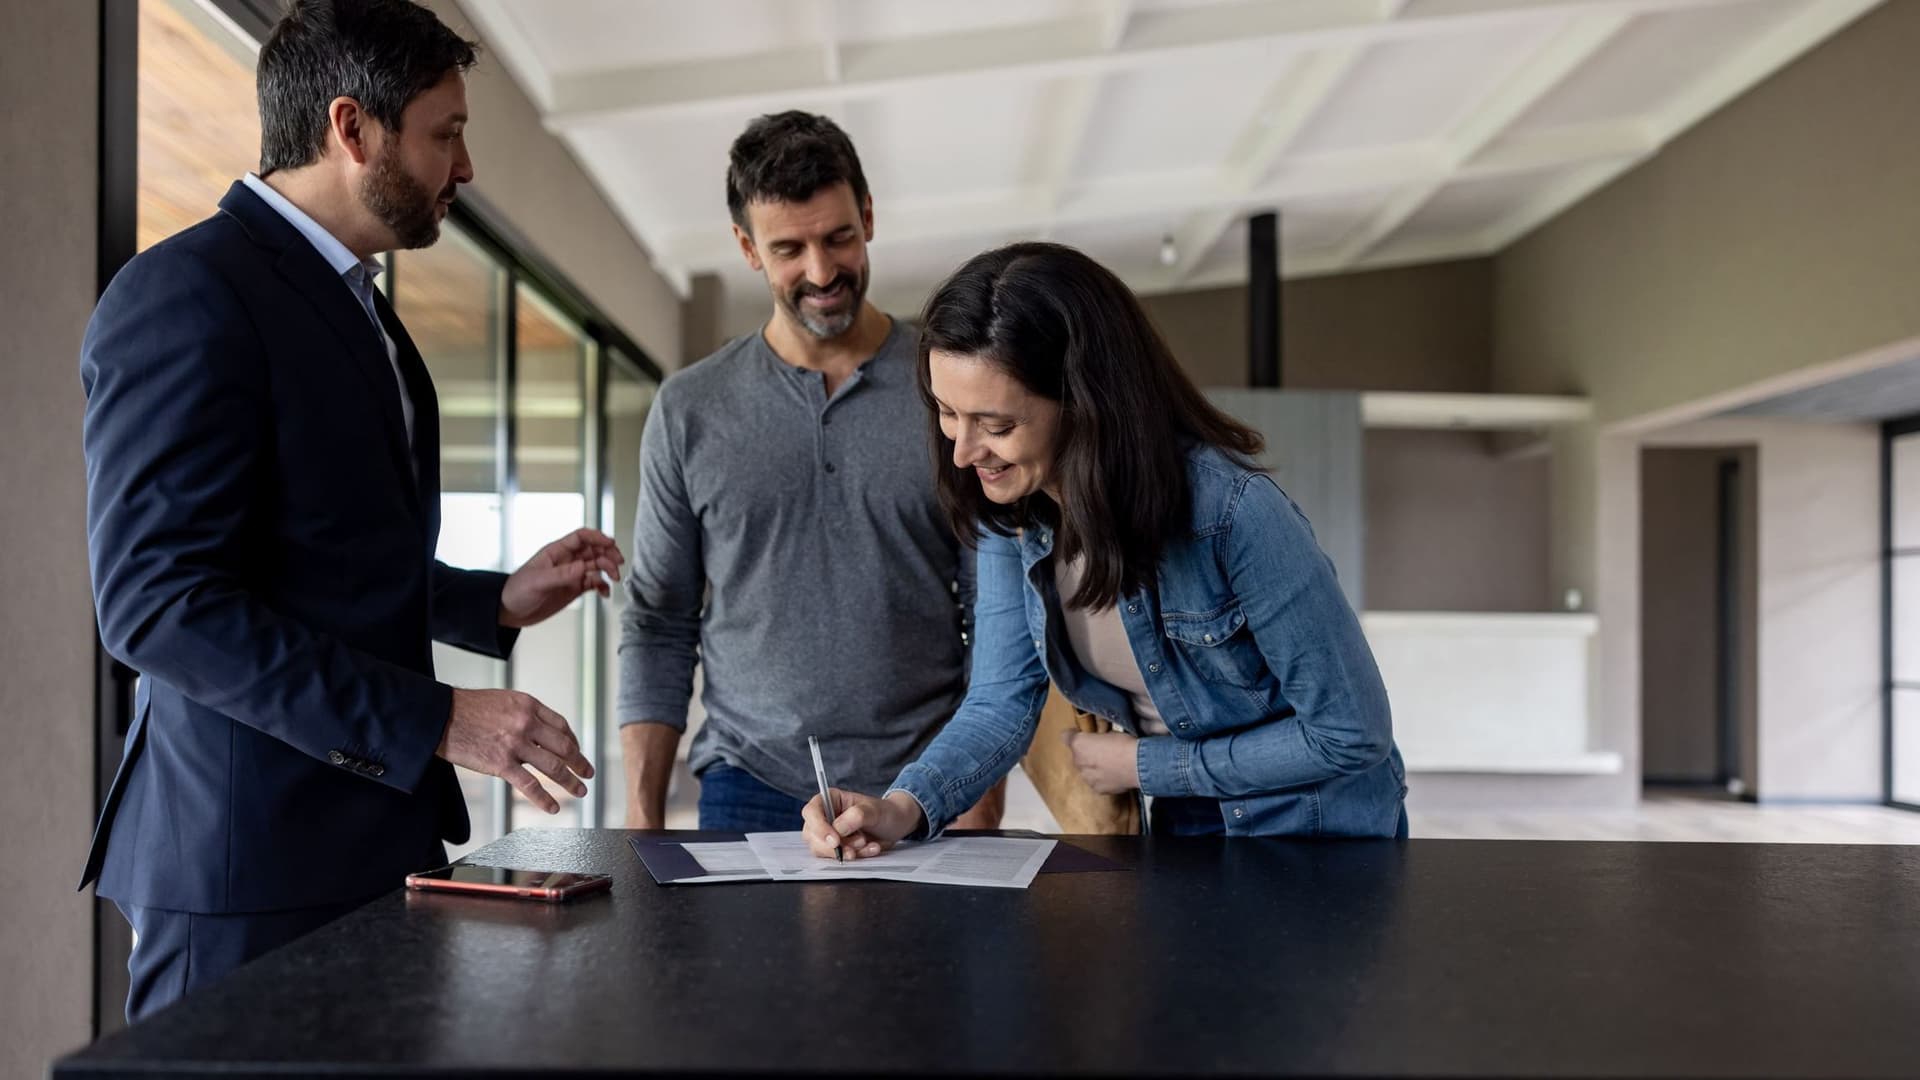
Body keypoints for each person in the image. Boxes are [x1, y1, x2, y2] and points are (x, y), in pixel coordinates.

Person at [79, 0, 621, 1022]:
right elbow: (160, 607)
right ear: (352, 128)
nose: (465, 169)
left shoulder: (359, 303)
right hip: (246, 875)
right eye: (447, 134)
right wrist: (436, 719)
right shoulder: (186, 293)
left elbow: (319, 558)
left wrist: (491, 601)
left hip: (371, 845)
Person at [802, 241, 1408, 856]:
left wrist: (1147, 767)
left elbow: (1350, 732)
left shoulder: (1233, 514)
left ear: (1086, 403)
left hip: (1318, 836)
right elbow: (999, 701)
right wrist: (902, 807)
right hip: (1184, 830)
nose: (962, 451)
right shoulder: (1009, 513)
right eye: (947, 413)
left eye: (998, 425)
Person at [618, 111, 1002, 831]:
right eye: (789, 248)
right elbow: (660, 619)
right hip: (747, 780)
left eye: (838, 238)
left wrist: (977, 793)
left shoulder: (949, 388)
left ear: (868, 217)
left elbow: (993, 610)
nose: (822, 273)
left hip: (926, 780)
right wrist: (642, 823)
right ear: (747, 247)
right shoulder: (690, 408)